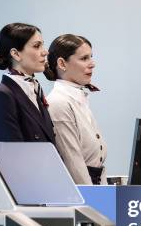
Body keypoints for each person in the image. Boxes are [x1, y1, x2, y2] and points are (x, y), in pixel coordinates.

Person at [44, 34, 107, 185]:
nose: (92, 64)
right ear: (62, 63)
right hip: (83, 194)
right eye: (84, 58)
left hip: (95, 188)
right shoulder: (59, 102)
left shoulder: (78, 98)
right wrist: (93, 202)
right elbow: (73, 162)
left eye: (91, 57)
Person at [0, 23, 55, 145]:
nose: (45, 52)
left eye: (42, 45)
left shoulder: (34, 88)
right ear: (16, 54)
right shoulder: (2, 96)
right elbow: (14, 154)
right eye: (36, 46)